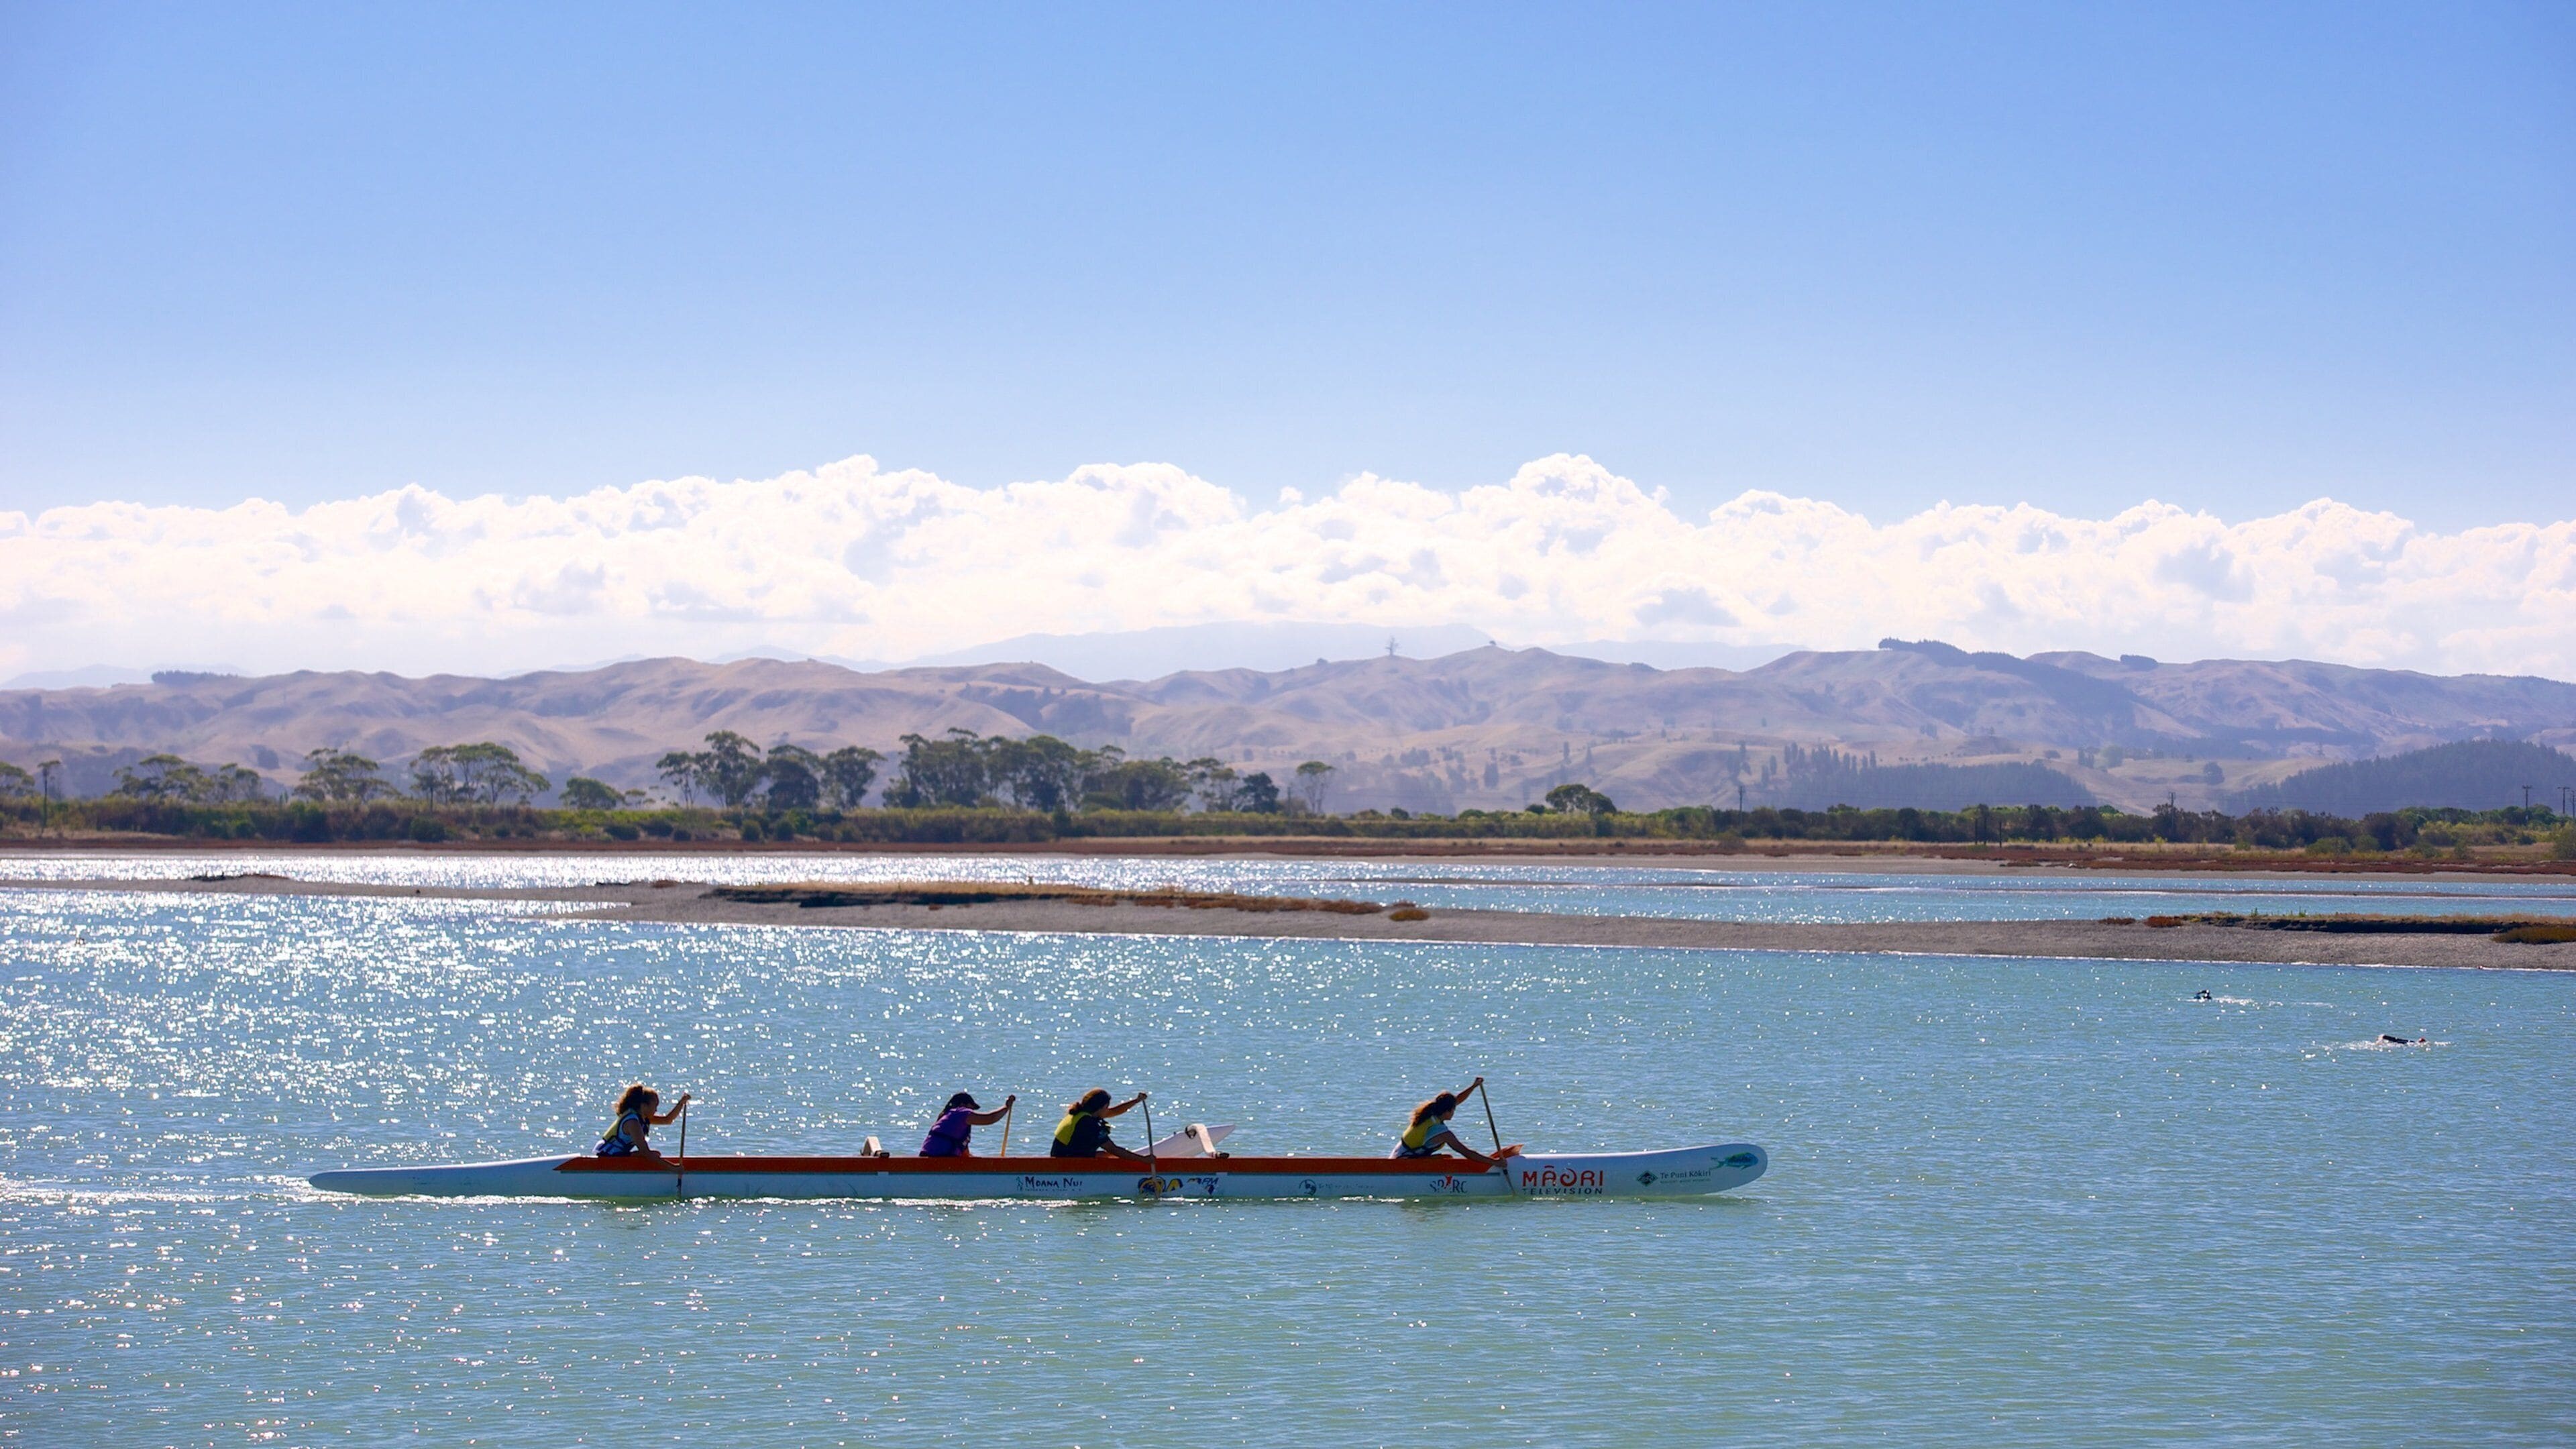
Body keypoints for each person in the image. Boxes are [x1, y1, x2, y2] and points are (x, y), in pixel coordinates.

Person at [1392, 1077, 1509, 1165]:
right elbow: (1466, 1152)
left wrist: (1474, 1086)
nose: (1455, 1111)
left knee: (1446, 1158)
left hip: (1401, 1155)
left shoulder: (1432, 1112)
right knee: (1446, 1159)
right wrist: (1495, 1163)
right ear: (1448, 1111)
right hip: (1403, 1162)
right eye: (1454, 1109)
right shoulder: (1442, 1132)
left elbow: (1457, 1100)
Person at [1050, 1088, 1150, 1161]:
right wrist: (1144, 1160)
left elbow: (1114, 1112)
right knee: (1111, 1154)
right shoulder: (1089, 1124)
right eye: (1107, 1107)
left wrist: (1136, 1101)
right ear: (1103, 1107)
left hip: (1063, 1157)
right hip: (1066, 1165)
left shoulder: (1080, 1113)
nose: (1108, 1110)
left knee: (1105, 1155)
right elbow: (1113, 1149)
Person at [596, 1084, 690, 1157]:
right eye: (655, 1106)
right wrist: (675, 1169)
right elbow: (645, 1152)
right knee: (652, 1154)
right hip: (608, 1156)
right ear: (644, 1106)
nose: (656, 1110)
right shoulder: (633, 1122)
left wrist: (681, 1103)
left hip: (620, 1155)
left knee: (654, 1154)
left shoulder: (643, 1118)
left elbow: (667, 1120)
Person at [920, 1091, 1016, 1157]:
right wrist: (1006, 1107)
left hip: (928, 1159)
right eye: (971, 1108)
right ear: (963, 1105)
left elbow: (965, 1155)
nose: (972, 1111)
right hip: (938, 1161)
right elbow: (990, 1118)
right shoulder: (961, 1113)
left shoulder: (948, 1119)